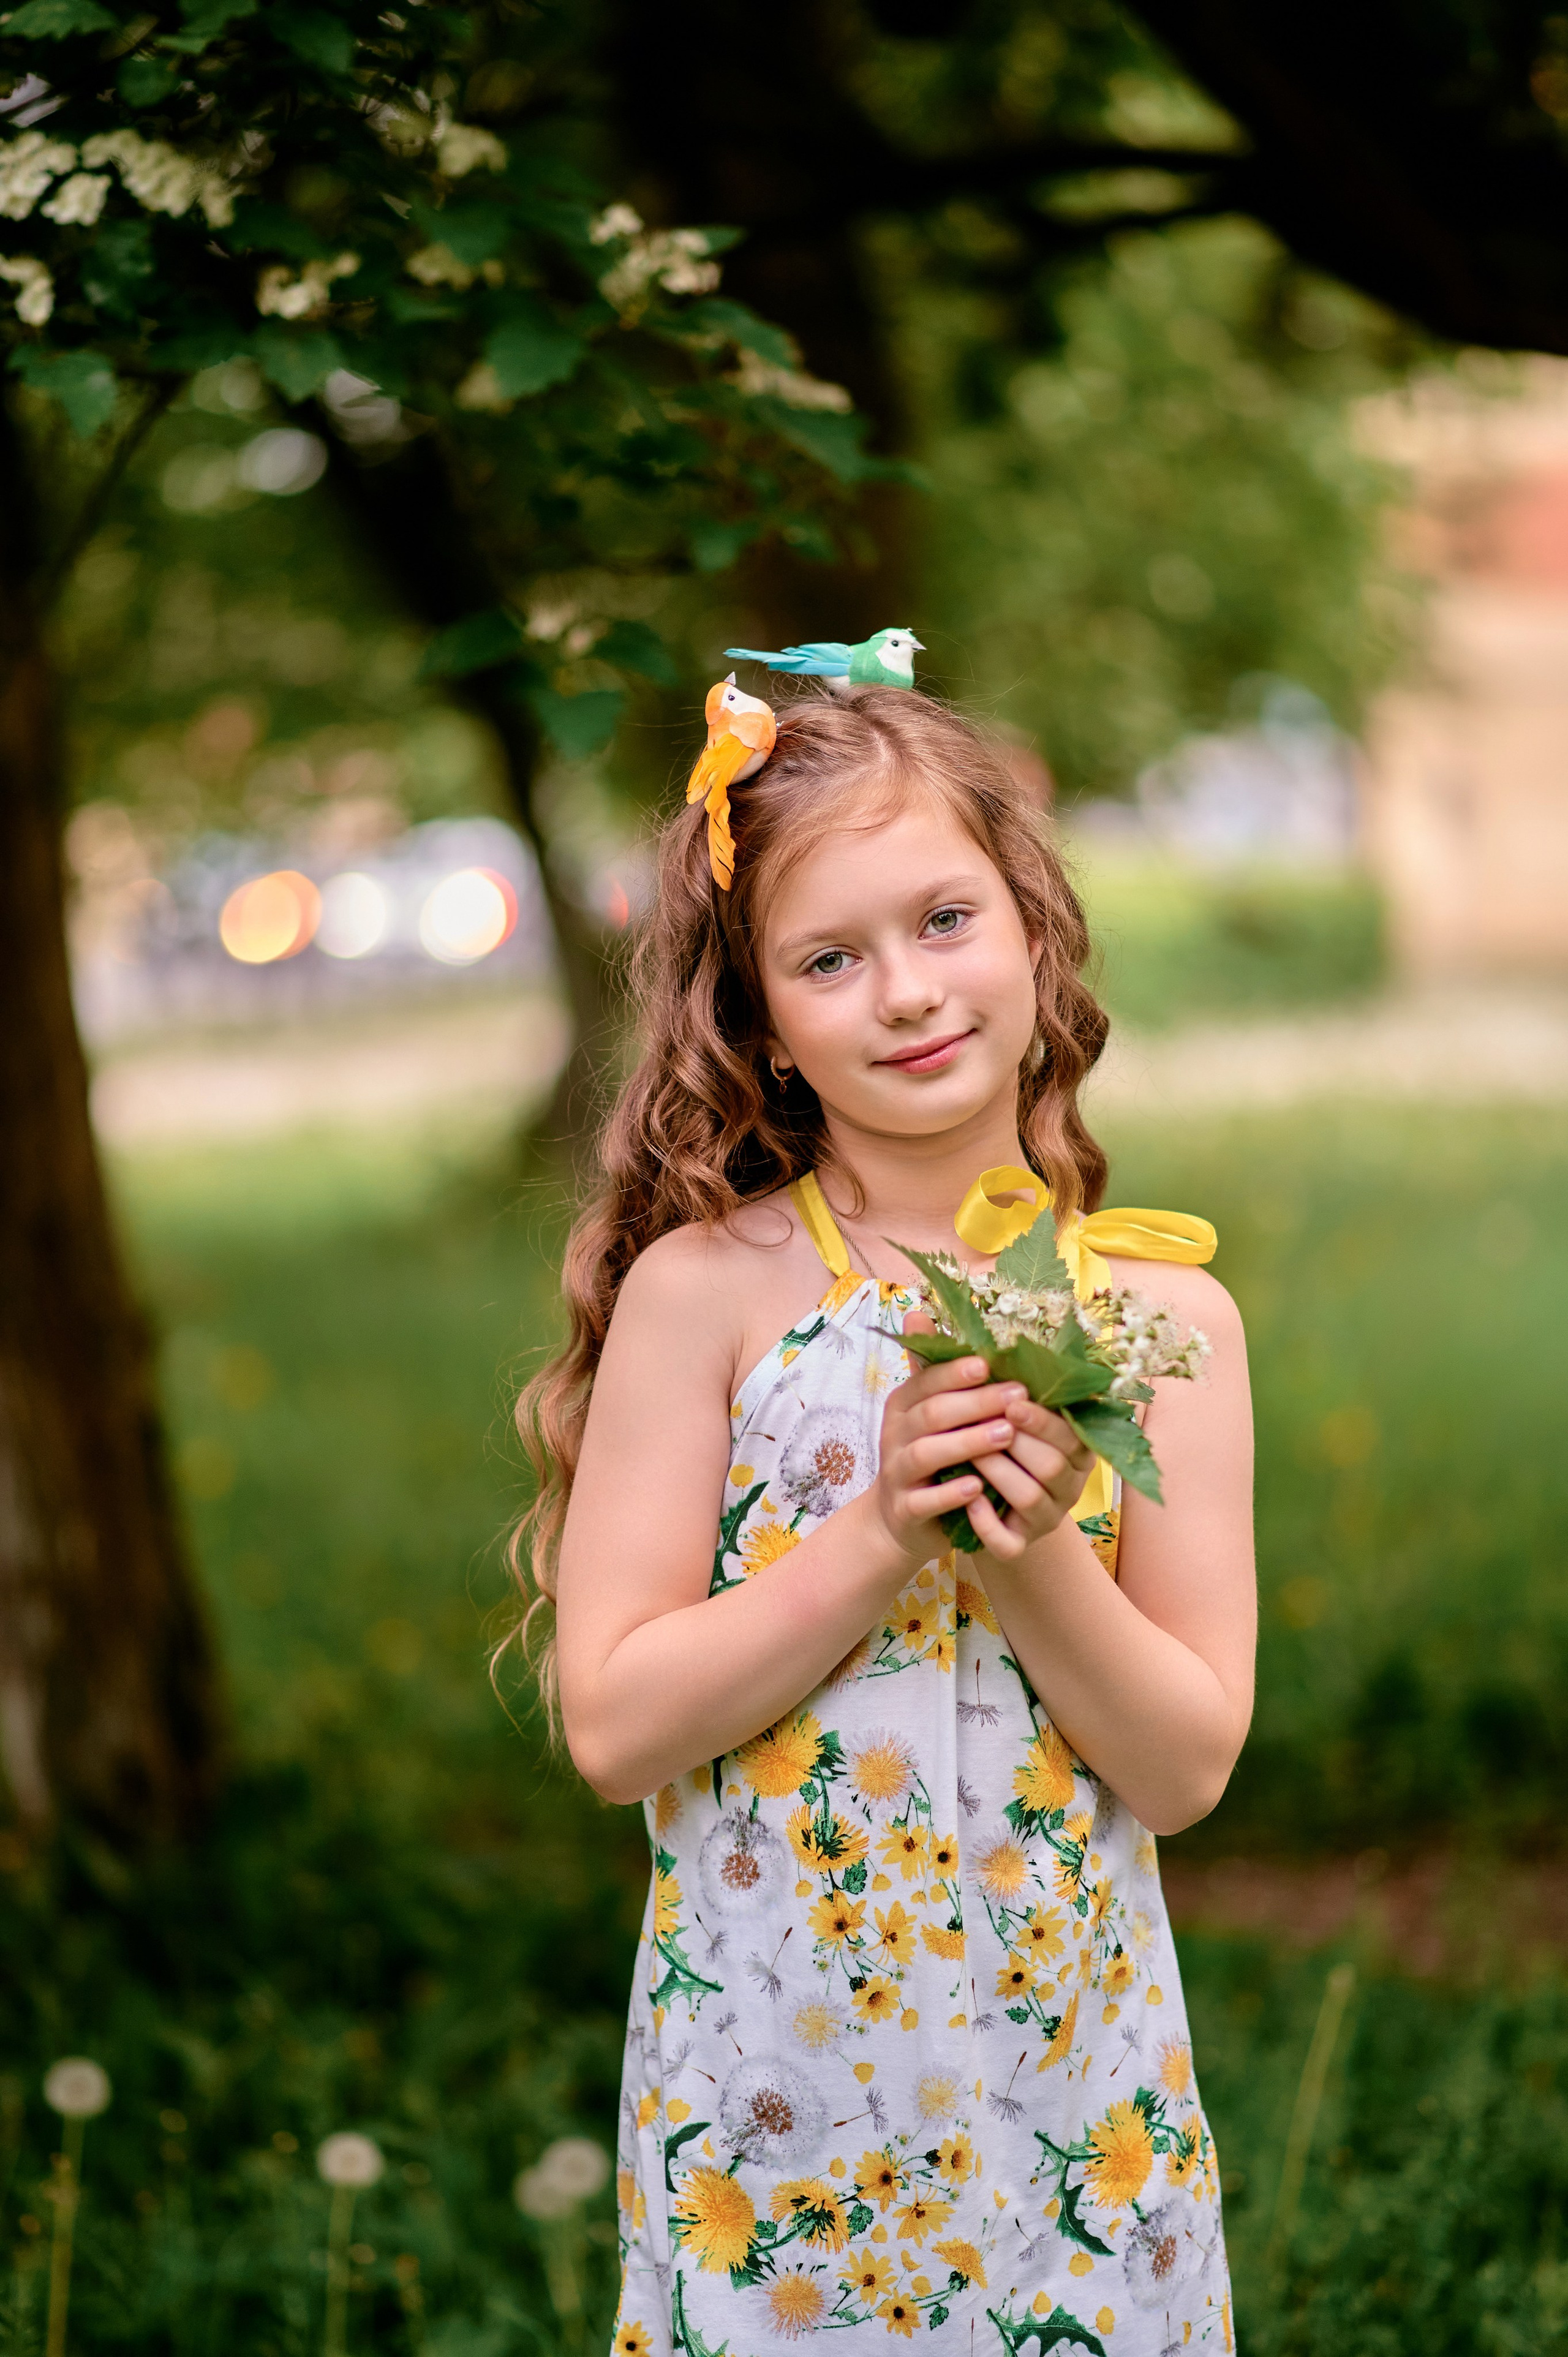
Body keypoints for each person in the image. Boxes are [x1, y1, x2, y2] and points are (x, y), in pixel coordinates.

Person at [510, 685, 1255, 2355]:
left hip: (1074, 2098)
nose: (907, 990)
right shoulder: (707, 1298)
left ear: (1035, 933)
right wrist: (873, 1535)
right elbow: (615, 1726)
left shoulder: (1158, 1320)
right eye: (830, 958)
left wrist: (1032, 1542)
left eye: (944, 920)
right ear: (764, 1017)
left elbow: (1189, 1766)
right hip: (780, 2117)